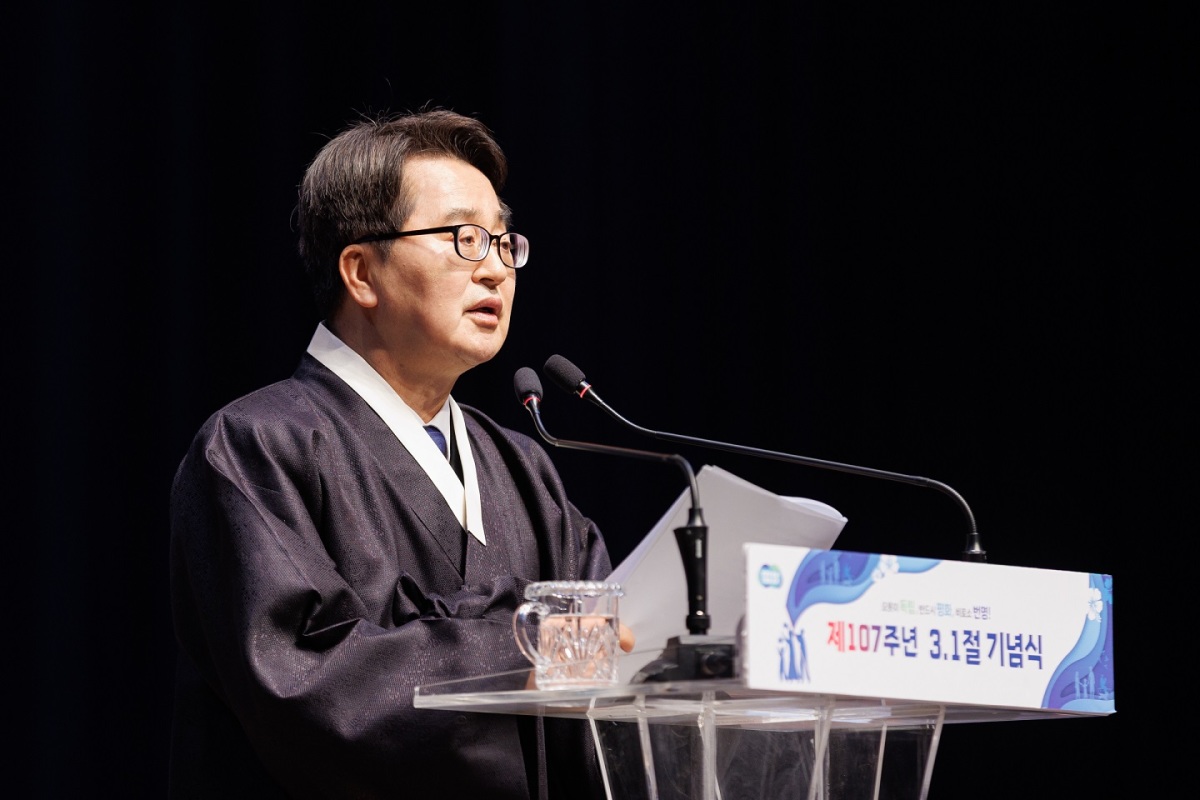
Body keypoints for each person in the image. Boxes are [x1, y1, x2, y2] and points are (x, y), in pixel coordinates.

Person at [168, 108, 629, 799]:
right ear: (360, 271)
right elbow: (304, 684)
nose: (496, 270)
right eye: (464, 239)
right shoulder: (257, 446)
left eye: (505, 243)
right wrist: (523, 643)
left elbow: (605, 669)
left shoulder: (522, 469)